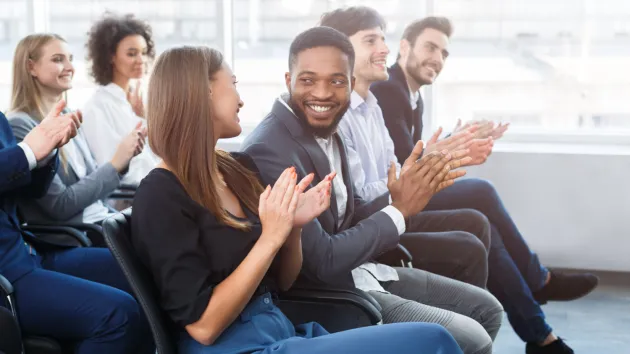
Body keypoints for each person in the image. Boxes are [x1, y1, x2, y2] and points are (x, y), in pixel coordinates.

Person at [131, 44, 463, 354]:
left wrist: (293, 230)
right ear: (202, 93)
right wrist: (271, 236)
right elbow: (203, 327)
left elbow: (283, 282)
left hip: (280, 330)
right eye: (232, 84)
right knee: (434, 340)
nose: (240, 99)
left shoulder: (236, 169)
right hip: (238, 347)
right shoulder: (160, 195)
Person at [242, 26, 503, 354]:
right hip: (326, 296)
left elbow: (347, 215)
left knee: (488, 310)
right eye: (308, 80)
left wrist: (404, 187)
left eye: (336, 81)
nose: (322, 93)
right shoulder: (270, 150)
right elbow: (319, 262)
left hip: (362, 271)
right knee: (472, 339)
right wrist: (399, 210)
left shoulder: (328, 128)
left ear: (351, 84)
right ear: (288, 80)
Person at [370, 16, 599, 354]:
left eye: (444, 53)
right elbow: (409, 168)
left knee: (484, 220)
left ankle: (540, 330)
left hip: (402, 192)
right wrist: (459, 146)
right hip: (391, 201)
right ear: (404, 47)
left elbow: (414, 157)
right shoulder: (390, 89)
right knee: (482, 193)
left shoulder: (411, 95)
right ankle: (539, 290)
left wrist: (458, 141)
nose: (437, 58)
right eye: (430, 47)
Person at [322, 6, 501, 289]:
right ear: (339, 51)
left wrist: (419, 167)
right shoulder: (339, 115)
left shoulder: (372, 106)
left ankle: (472, 315)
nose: (384, 49)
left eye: (383, 39)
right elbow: (360, 200)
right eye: (371, 41)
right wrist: (417, 170)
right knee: (469, 242)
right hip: (370, 225)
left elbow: (393, 168)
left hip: (389, 208)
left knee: (475, 222)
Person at [0, 102, 153, 353]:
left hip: (27, 252)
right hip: (7, 272)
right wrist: (27, 151)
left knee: (138, 269)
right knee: (118, 315)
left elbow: (29, 190)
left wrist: (46, 153)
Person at [7, 33, 145, 227]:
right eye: (58, 59)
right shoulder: (20, 125)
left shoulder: (69, 115)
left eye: (70, 59)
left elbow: (96, 189)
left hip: (103, 221)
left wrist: (122, 163)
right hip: (78, 234)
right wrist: (115, 163)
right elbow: (59, 206)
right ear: (31, 67)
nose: (71, 68)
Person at [81, 13, 159, 186]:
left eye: (144, 52)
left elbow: (154, 155)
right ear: (111, 57)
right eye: (132, 54)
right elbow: (110, 169)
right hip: (130, 196)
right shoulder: (97, 108)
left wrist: (146, 118)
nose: (141, 60)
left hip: (154, 185)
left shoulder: (137, 102)